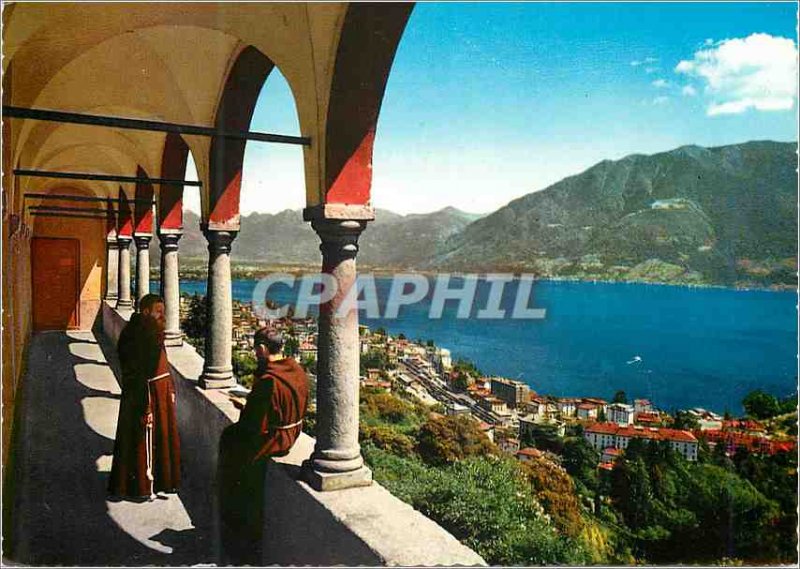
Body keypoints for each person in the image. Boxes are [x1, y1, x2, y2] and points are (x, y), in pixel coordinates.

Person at [218, 328, 310, 565]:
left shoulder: (268, 381)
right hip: (293, 432)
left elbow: (252, 426)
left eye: (255, 348)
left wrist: (244, 407)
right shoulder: (296, 369)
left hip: (274, 440)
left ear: (262, 349)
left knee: (229, 441)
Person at [108, 293, 181, 499]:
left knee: (154, 438)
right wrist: (146, 405)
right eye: (158, 312)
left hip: (158, 392)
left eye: (163, 312)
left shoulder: (151, 331)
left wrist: (171, 388)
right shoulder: (138, 334)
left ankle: (156, 482)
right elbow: (137, 372)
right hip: (146, 394)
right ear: (146, 311)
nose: (162, 316)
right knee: (143, 439)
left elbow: (162, 362)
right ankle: (142, 486)